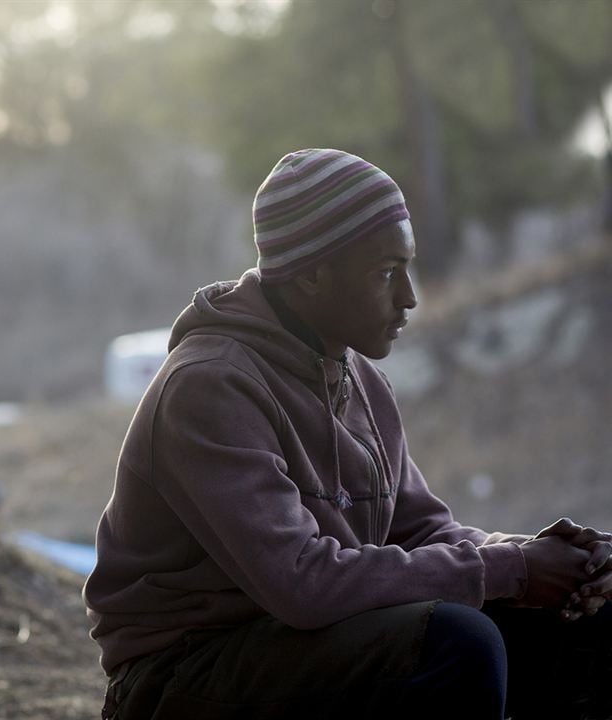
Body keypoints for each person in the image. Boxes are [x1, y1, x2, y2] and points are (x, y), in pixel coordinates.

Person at [83, 148, 612, 720]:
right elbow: (303, 584)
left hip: (305, 645)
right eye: (385, 272)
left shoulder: (359, 378)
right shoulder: (210, 387)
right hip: (181, 673)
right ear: (311, 273)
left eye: (408, 268)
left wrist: (545, 559)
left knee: (585, 619)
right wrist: (513, 570)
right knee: (456, 644)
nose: (409, 296)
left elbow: (422, 530)